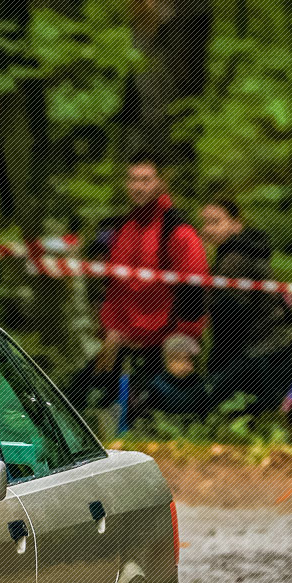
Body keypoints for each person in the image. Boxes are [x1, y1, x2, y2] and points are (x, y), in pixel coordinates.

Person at [67, 155, 209, 413]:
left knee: (154, 417)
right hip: (119, 341)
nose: (137, 187)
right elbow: (112, 285)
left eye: (145, 180)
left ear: (162, 182)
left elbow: (194, 289)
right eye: (132, 180)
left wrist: (181, 344)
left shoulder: (178, 230)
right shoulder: (122, 227)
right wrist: (109, 328)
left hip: (162, 346)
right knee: (75, 401)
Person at [198, 198, 292, 414]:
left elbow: (230, 316)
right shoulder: (247, 248)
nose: (208, 229)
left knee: (215, 403)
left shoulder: (235, 259)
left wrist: (217, 363)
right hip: (274, 344)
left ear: (236, 223)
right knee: (265, 413)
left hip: (259, 349)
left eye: (215, 222)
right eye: (205, 223)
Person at [145, 334, 209, 418]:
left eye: (192, 361)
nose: (189, 366)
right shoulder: (155, 387)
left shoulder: (199, 384)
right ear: (168, 361)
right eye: (183, 360)